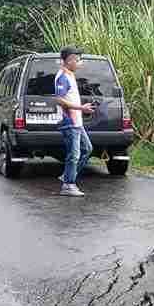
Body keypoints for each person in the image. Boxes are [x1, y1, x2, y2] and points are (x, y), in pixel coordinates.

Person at [53, 46, 96, 197]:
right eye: (77, 60)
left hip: (77, 123)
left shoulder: (70, 75)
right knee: (74, 154)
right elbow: (59, 100)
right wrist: (80, 108)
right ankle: (68, 185)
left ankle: (67, 175)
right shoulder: (62, 77)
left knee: (87, 149)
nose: (79, 63)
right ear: (69, 60)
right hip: (69, 122)